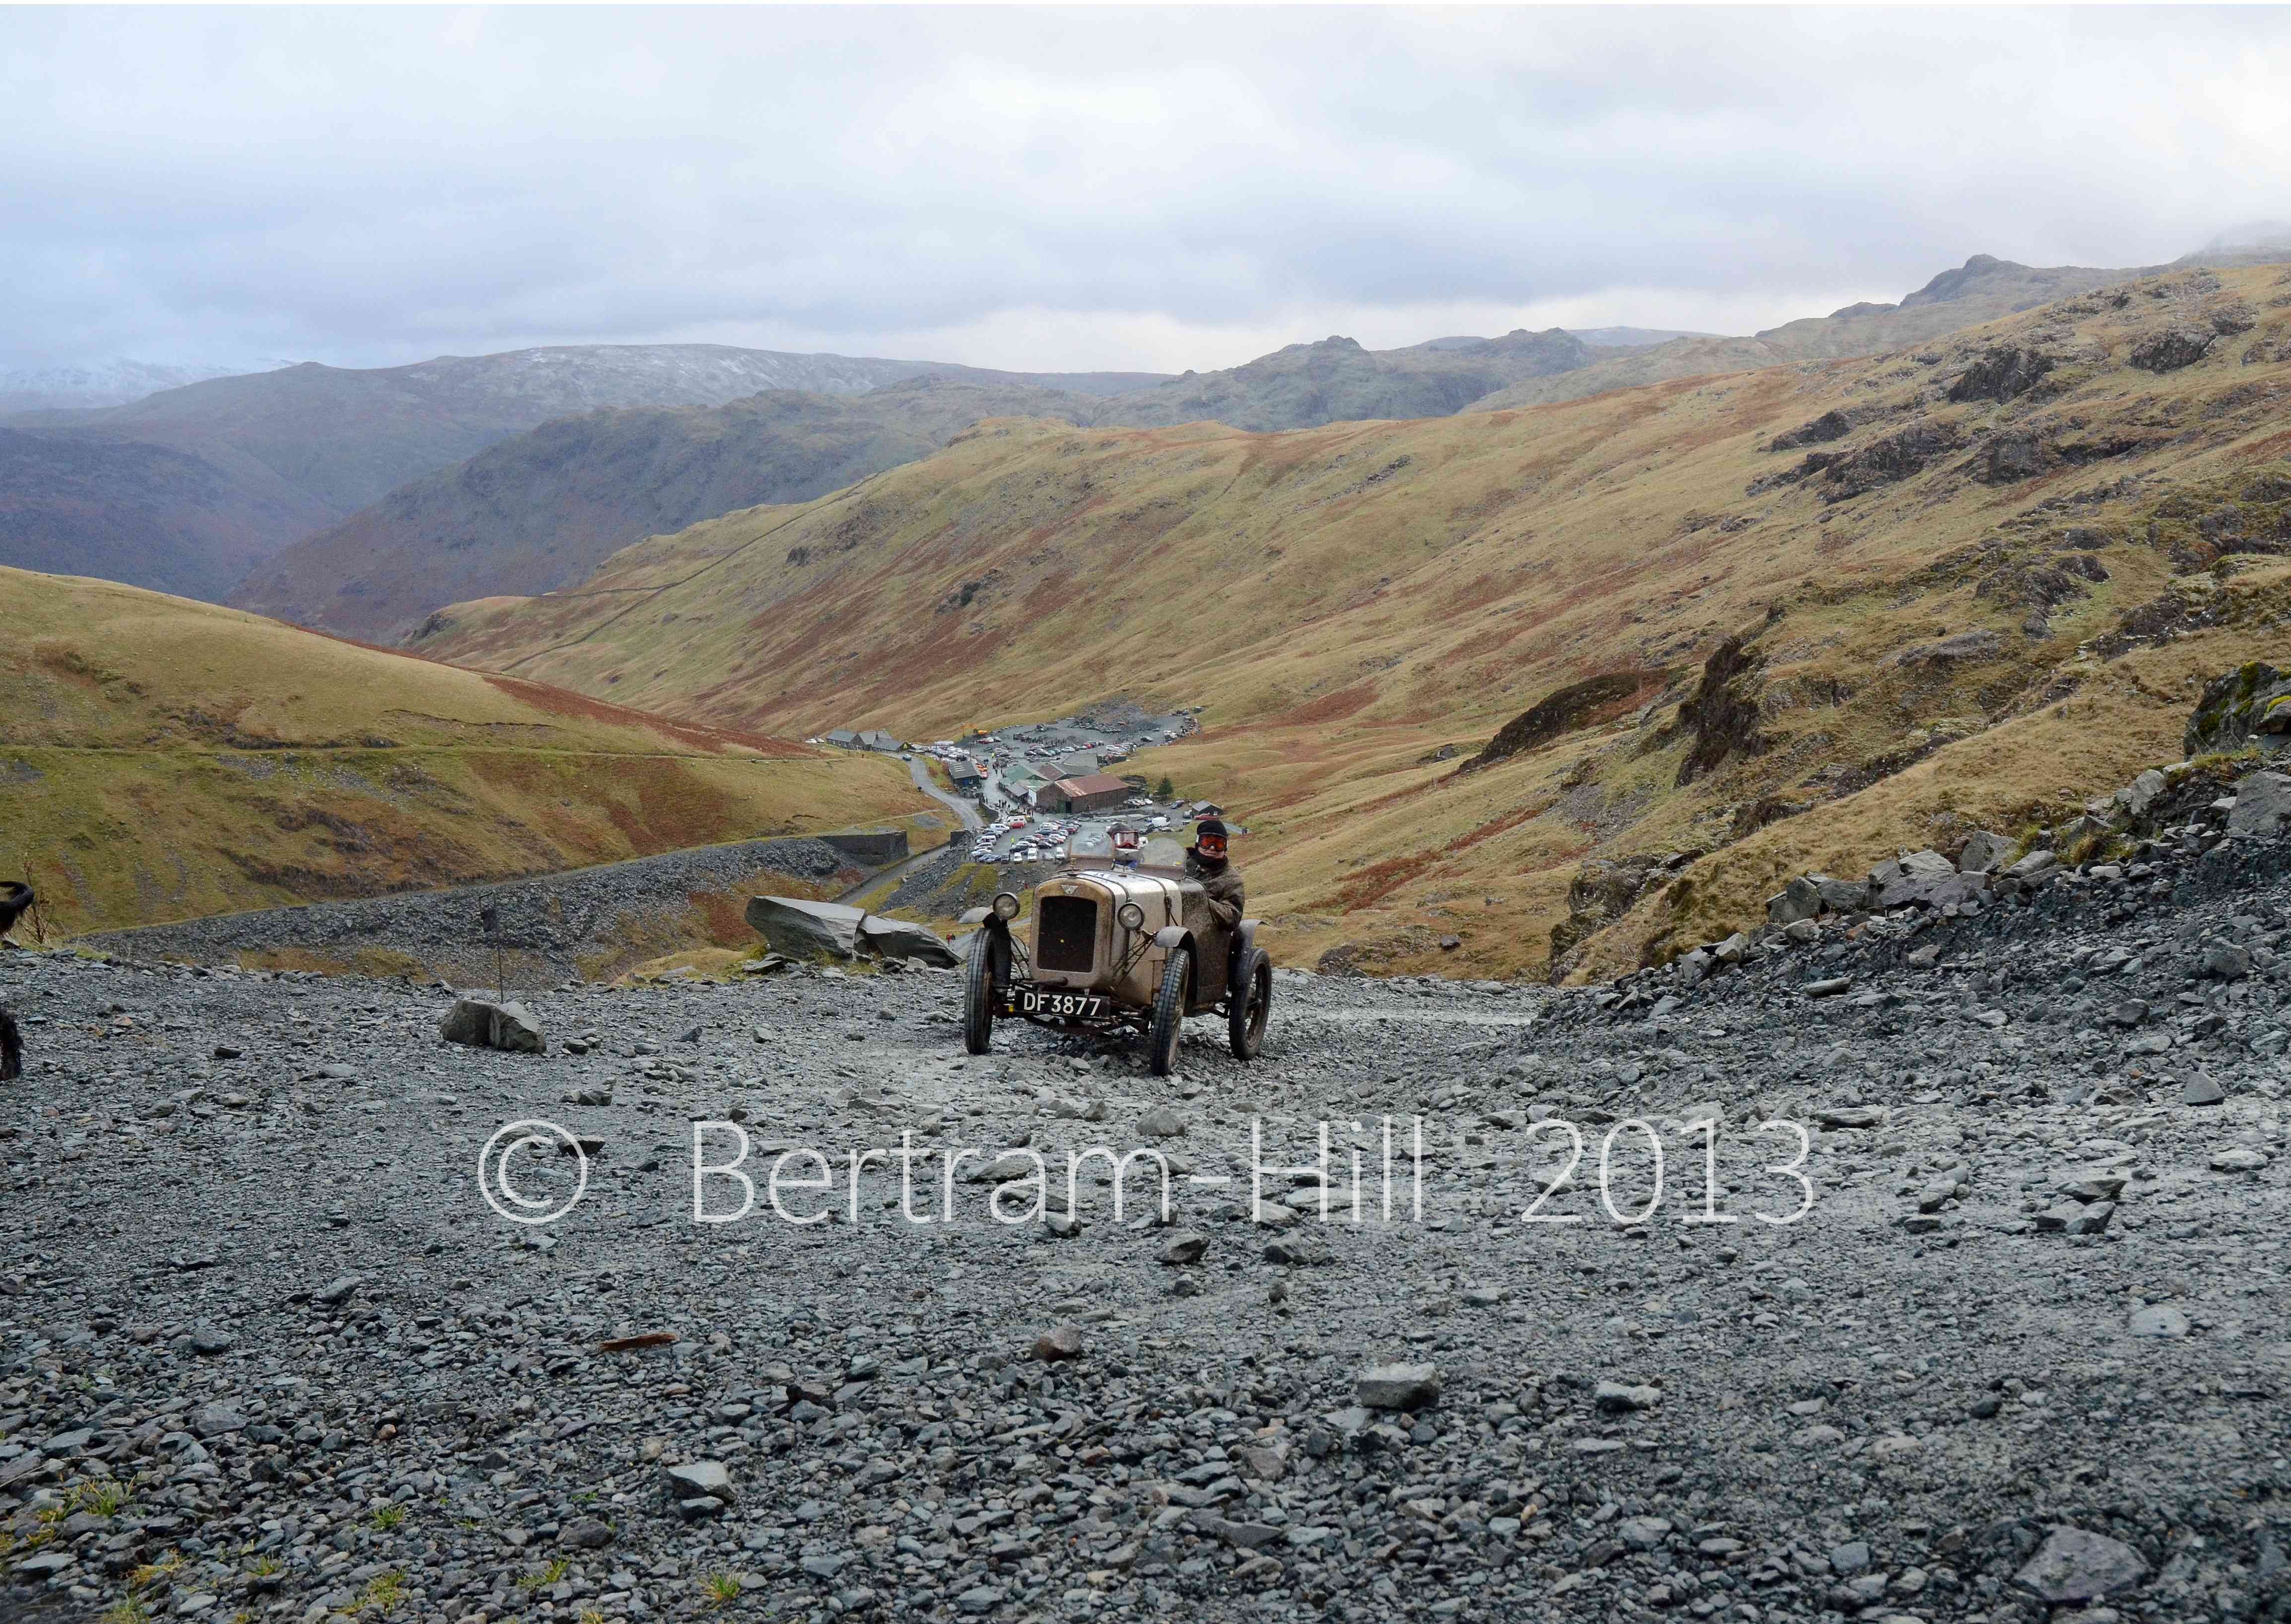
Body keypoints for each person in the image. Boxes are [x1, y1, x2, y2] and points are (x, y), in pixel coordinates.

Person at [1185, 817, 1246, 931]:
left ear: (1226, 847)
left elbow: (1232, 918)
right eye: (1207, 842)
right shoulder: (1179, 863)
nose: (1212, 848)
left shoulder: (1232, 879)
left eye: (1219, 844)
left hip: (1201, 933)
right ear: (1198, 843)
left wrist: (1200, 900)